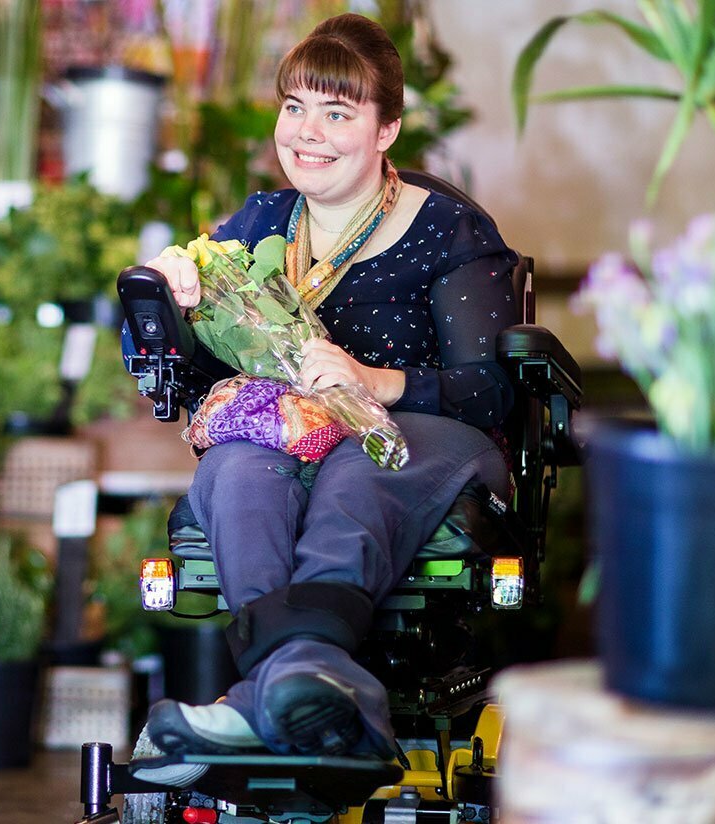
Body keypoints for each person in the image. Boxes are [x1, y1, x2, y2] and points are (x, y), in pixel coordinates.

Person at [136, 13, 517, 768]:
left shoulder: (448, 230)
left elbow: (495, 390)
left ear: (386, 131)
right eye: (294, 106)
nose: (307, 131)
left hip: (423, 435)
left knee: (352, 470)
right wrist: (163, 292)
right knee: (237, 470)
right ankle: (308, 688)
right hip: (290, 435)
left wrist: (373, 380)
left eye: (338, 112)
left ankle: (257, 701)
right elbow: (171, 372)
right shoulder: (255, 225)